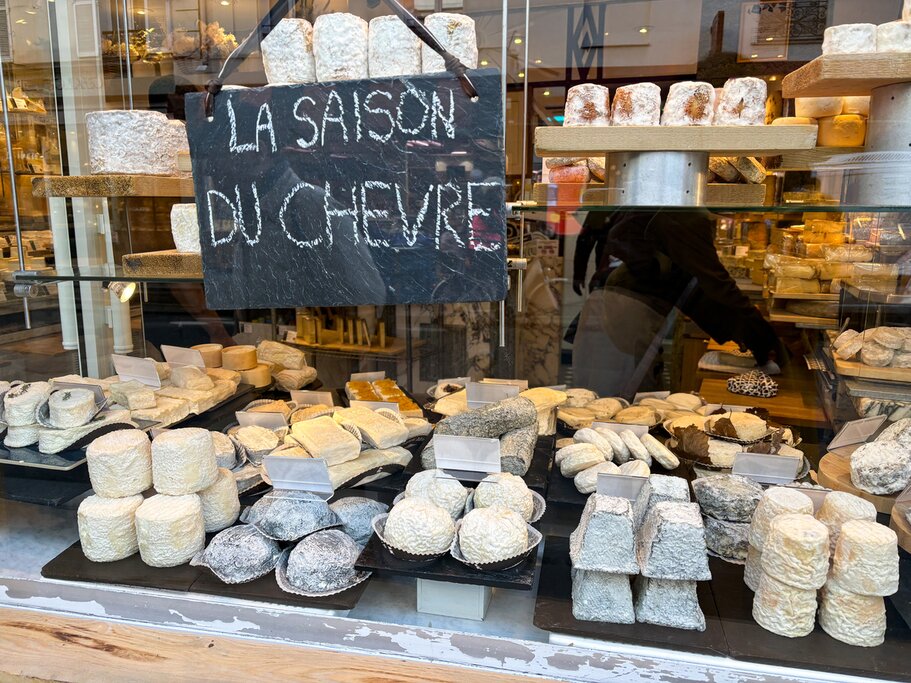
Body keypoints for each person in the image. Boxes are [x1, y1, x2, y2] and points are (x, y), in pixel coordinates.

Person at [571, 208, 786, 399]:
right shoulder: (684, 214)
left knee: (638, 390)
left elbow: (702, 284)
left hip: (631, 302)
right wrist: (761, 335)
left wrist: (750, 332)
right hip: (629, 307)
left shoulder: (679, 209)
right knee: (630, 398)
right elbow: (716, 282)